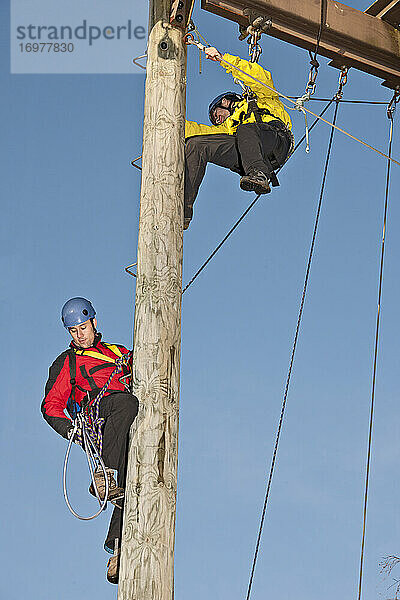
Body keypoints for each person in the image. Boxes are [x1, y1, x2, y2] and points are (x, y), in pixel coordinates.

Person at [41, 297, 138, 584]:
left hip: (124, 428)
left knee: (135, 480)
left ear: (94, 323)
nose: (80, 334)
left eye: (83, 327)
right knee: (126, 403)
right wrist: (71, 430)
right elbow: (51, 405)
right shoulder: (67, 362)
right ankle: (104, 477)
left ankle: (119, 550)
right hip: (99, 416)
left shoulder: (117, 352)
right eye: (73, 331)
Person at [184, 46, 294, 229]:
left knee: (245, 130)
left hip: (274, 140)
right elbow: (199, 131)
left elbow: (260, 77)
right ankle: (184, 210)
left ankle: (259, 174)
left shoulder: (262, 99)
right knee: (196, 145)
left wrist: (223, 59)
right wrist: (170, 121)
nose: (216, 119)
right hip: (248, 152)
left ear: (227, 101)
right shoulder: (229, 128)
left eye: (217, 113)